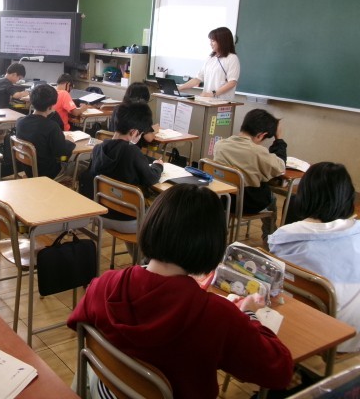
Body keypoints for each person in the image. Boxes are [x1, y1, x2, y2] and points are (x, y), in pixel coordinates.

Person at [67, 184, 294, 399]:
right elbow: (280, 371)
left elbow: (76, 323)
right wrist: (249, 313)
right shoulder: (216, 316)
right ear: (211, 243)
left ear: (151, 224)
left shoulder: (105, 284)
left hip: (107, 391)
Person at [269, 162, 360, 353]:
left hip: (305, 334)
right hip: (353, 335)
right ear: (348, 196)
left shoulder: (285, 236)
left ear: (304, 195)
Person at [78, 101, 163, 260]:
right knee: (164, 212)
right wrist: (158, 166)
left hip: (103, 215)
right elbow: (151, 177)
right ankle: (149, 261)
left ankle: (140, 259)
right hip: (128, 220)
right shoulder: (132, 152)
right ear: (134, 132)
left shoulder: (98, 148)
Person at [213, 108, 286, 247]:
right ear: (261, 135)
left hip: (224, 199)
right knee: (272, 198)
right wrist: (279, 139)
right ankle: (269, 238)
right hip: (247, 203)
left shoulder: (220, 145)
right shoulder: (257, 152)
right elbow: (280, 167)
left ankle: (222, 233)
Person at [15, 84, 76, 179]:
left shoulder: (20, 122)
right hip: (48, 172)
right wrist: (70, 142)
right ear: (51, 106)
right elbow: (61, 152)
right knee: (79, 166)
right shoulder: (52, 126)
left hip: (28, 169)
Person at [177, 26, 240, 100]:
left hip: (222, 102)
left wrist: (212, 94)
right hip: (206, 101)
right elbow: (198, 79)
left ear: (222, 41)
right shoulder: (210, 58)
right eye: (210, 41)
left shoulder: (232, 58)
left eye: (213, 41)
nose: (210, 44)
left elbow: (232, 82)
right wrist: (179, 88)